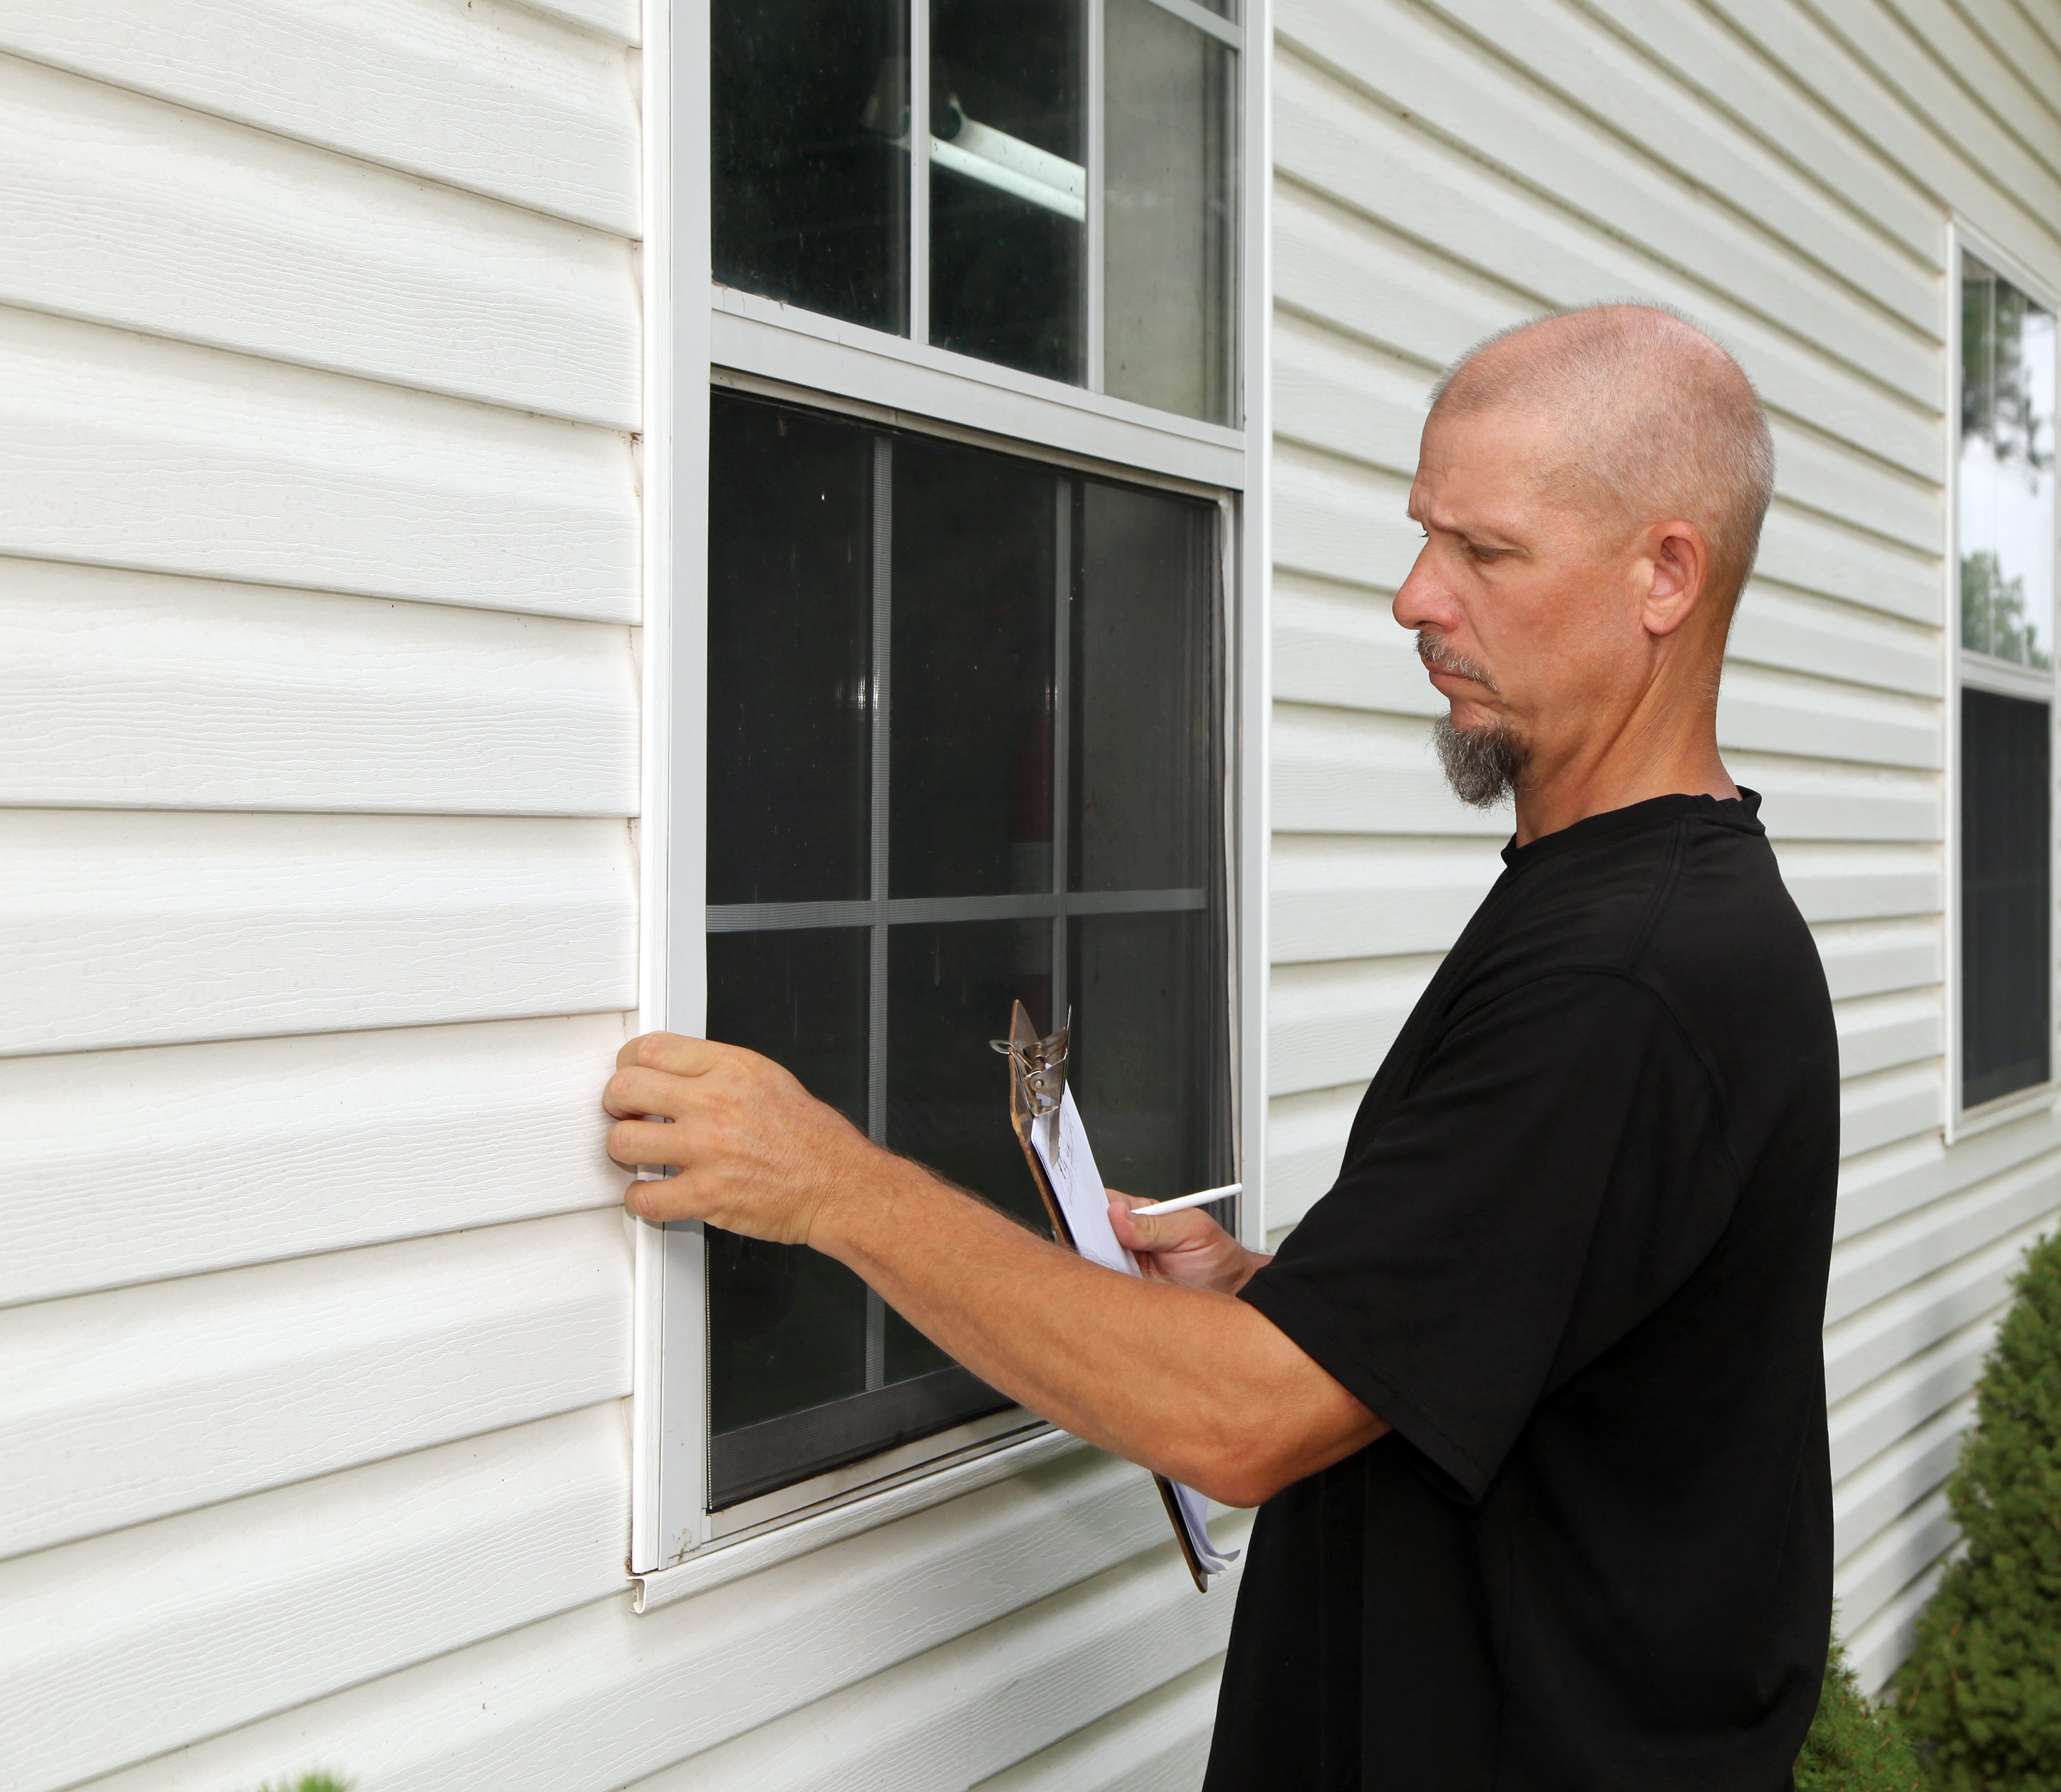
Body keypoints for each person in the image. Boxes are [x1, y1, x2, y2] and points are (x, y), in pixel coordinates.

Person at [606, 304, 1841, 1789]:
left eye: (1486, 554)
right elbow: (1547, 1323)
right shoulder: (1614, 911)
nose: (1413, 599)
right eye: (1422, 534)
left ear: (1667, 573)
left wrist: (828, 1185)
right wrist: (1280, 1294)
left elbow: (1238, 1421)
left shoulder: (1634, 974)